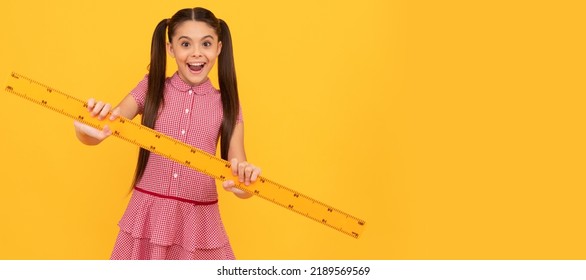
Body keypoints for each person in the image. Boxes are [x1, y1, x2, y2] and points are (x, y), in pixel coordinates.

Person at [73, 7, 261, 260]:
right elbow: (99, 132)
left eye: (206, 43)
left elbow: (240, 180)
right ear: (171, 49)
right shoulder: (151, 87)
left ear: (219, 47)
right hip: (147, 217)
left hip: (199, 222)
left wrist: (245, 183)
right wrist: (85, 128)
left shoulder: (228, 104)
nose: (196, 53)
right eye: (185, 44)